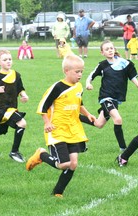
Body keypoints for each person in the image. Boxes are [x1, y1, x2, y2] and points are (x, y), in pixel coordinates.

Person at [26, 54, 96, 197]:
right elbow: (42, 106)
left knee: (73, 164)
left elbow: (79, 102)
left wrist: (87, 114)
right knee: (64, 164)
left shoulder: (78, 86)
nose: (80, 74)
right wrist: (47, 122)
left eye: (82, 71)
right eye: (77, 72)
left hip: (73, 129)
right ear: (66, 71)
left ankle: (57, 192)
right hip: (57, 129)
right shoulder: (57, 87)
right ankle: (41, 154)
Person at [82, 40, 138, 151]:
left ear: (114, 49)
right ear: (102, 53)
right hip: (105, 98)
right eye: (107, 49)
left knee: (99, 124)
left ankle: (75, 117)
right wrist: (88, 83)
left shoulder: (124, 63)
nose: (110, 50)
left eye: (111, 48)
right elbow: (91, 75)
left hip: (116, 99)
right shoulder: (102, 65)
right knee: (118, 119)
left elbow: (131, 75)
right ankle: (123, 149)